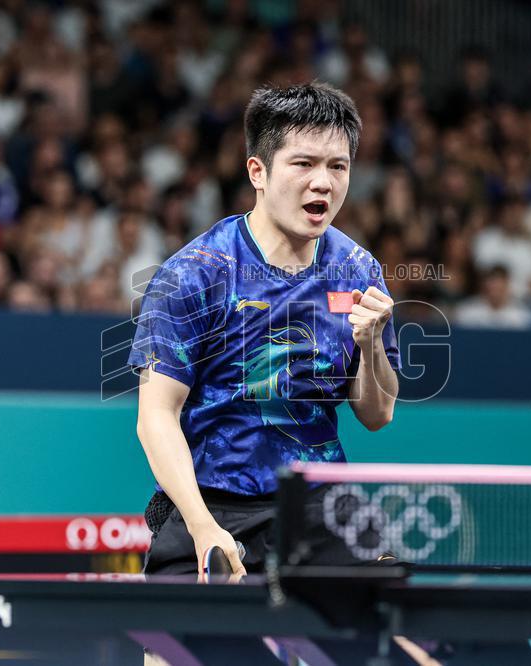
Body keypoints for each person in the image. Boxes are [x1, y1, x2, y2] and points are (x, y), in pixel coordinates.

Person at [128, 82, 401, 578]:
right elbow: (155, 417)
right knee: (171, 650)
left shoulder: (359, 271)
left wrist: (371, 345)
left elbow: (378, 415)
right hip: (212, 500)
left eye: (337, 166)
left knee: (400, 638)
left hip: (318, 504)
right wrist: (201, 525)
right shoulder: (196, 272)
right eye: (303, 164)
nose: (323, 182)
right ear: (258, 170)